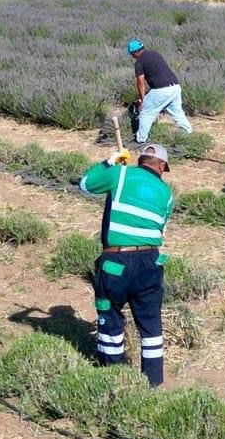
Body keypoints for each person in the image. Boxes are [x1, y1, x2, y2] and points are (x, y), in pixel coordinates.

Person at [77, 141, 177, 386]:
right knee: (151, 325)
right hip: (151, 261)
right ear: (162, 166)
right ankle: (153, 383)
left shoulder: (120, 174)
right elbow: (161, 227)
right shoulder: (167, 194)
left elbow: (85, 184)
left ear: (140, 160)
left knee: (110, 317)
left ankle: (116, 379)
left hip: (116, 262)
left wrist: (109, 162)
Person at [127, 38, 193, 142]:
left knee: (145, 113)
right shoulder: (155, 54)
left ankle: (141, 140)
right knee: (177, 112)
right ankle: (188, 134)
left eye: (132, 54)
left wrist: (142, 99)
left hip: (161, 89)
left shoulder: (139, 62)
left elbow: (140, 82)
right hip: (175, 87)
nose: (132, 57)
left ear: (135, 52)